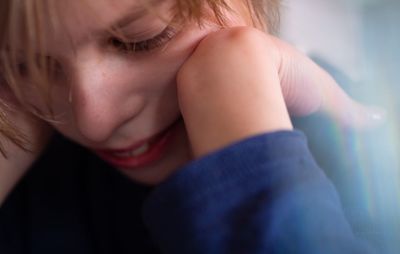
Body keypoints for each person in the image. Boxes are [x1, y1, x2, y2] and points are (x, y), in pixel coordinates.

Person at [0, 0, 382, 253]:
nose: (95, 123)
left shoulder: (374, 166)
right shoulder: (31, 175)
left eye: (142, 40)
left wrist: (245, 152)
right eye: (27, 65)